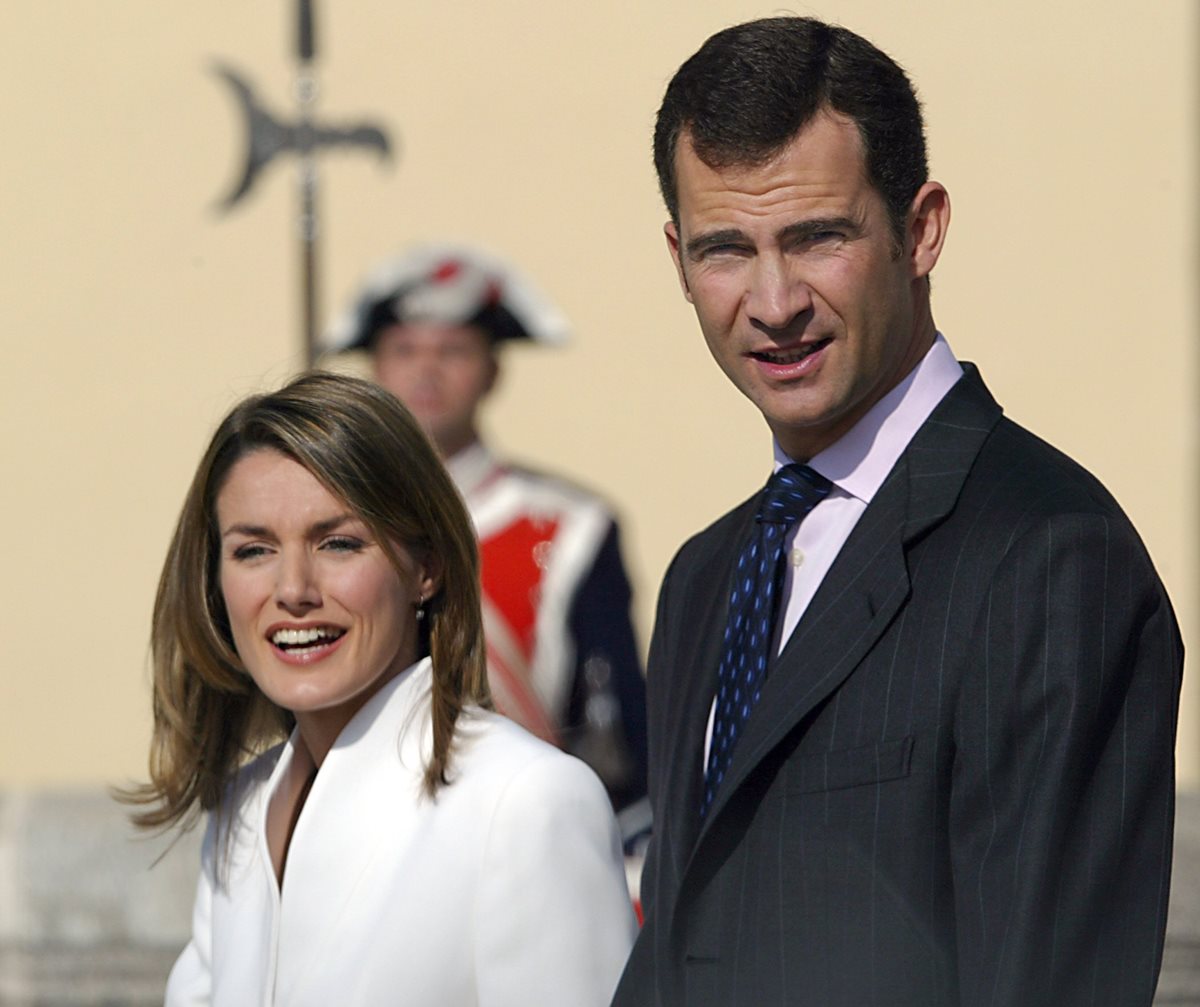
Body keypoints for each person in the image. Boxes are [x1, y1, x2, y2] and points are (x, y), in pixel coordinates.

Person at [612, 16, 1183, 1007]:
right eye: (725, 250)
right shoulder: (707, 574)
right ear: (676, 256)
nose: (773, 299)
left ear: (920, 229)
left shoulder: (1050, 557)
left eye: (817, 237)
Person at [123, 372, 636, 1005]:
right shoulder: (243, 806)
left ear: (427, 567)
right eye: (254, 550)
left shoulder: (526, 801)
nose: (293, 590)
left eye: (338, 543)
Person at [324, 244, 649, 828]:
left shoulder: (572, 527)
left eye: (453, 351)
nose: (426, 370)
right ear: (376, 368)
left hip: (523, 824)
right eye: (404, 350)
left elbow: (613, 732)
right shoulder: (326, 522)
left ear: (494, 370)